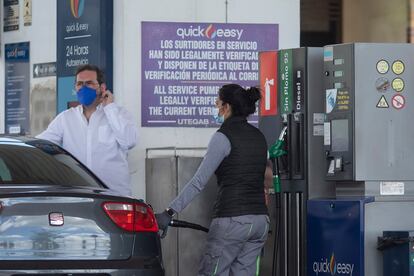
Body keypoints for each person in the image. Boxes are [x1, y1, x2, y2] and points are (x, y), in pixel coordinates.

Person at [156, 84, 269, 276]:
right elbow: (263, 177)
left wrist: (169, 211)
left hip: (232, 220)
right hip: (259, 222)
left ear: (226, 106)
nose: (216, 106)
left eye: (218, 102)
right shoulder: (259, 136)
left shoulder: (223, 137)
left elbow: (199, 181)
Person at [36, 64, 137, 196]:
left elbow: (129, 141)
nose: (83, 88)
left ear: (102, 88)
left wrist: (110, 108)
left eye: (89, 83)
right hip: (78, 195)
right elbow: (41, 145)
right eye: (79, 84)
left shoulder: (119, 114)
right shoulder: (66, 118)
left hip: (114, 196)